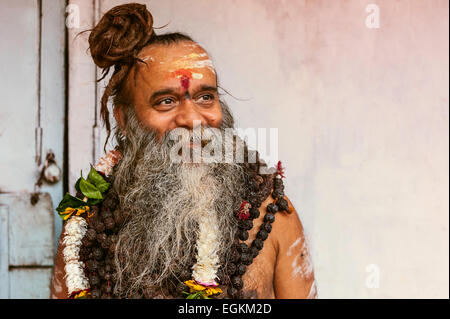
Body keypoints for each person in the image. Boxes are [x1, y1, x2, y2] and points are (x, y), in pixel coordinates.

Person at [50, 3, 316, 299]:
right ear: (124, 119)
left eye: (205, 97)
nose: (193, 120)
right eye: (166, 101)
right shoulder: (85, 228)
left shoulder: (274, 217)